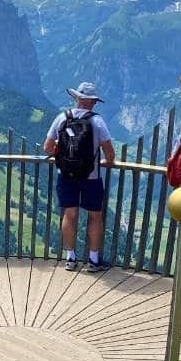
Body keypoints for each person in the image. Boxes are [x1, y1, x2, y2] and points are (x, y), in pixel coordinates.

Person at [44, 81, 115, 272]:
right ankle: (93, 261)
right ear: (92, 102)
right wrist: (105, 162)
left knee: (70, 214)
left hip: (66, 174)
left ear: (77, 98)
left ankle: (70, 258)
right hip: (91, 177)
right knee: (95, 216)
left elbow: (47, 147)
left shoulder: (61, 118)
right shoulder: (97, 121)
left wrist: (63, 153)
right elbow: (110, 154)